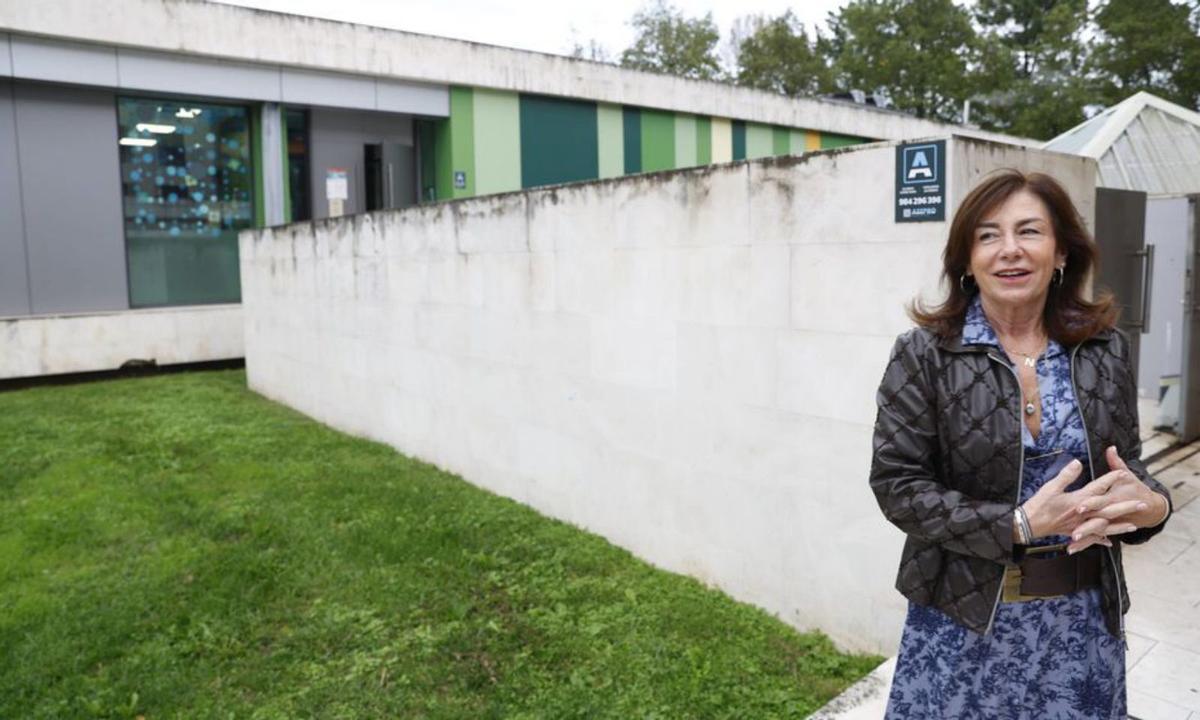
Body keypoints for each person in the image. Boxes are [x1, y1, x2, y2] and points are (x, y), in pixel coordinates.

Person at [869, 169, 1173, 719]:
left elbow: (1128, 471)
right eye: (987, 235)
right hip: (962, 622)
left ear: (1061, 254)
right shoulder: (924, 355)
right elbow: (898, 486)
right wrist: (1016, 526)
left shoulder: (1103, 350)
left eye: (1029, 231)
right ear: (966, 260)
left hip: (1078, 625)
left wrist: (1156, 507)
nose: (1009, 250)